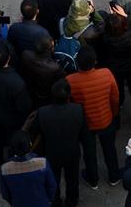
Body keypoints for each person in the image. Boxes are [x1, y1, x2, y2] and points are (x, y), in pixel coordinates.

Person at [0, 37, 33, 181]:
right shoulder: (16, 82)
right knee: (13, 144)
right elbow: (24, 107)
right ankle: (12, 172)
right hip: (12, 119)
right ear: (9, 58)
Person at [67, 45, 120, 189]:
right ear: (95, 61)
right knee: (110, 150)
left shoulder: (70, 80)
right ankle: (114, 176)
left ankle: (93, 179)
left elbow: (69, 103)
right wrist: (113, 114)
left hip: (86, 124)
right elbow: (115, 98)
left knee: (89, 153)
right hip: (106, 119)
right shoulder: (106, 73)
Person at [32, 79, 85, 207]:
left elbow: (34, 131)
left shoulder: (43, 112)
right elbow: (83, 133)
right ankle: (71, 202)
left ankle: (55, 201)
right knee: (72, 180)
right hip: (72, 152)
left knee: (53, 180)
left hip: (51, 153)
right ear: (68, 95)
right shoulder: (78, 110)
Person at [0, 130, 57, 207]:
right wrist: (49, 200)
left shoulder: (5, 169)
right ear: (30, 144)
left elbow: (5, 193)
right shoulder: (42, 163)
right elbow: (52, 186)